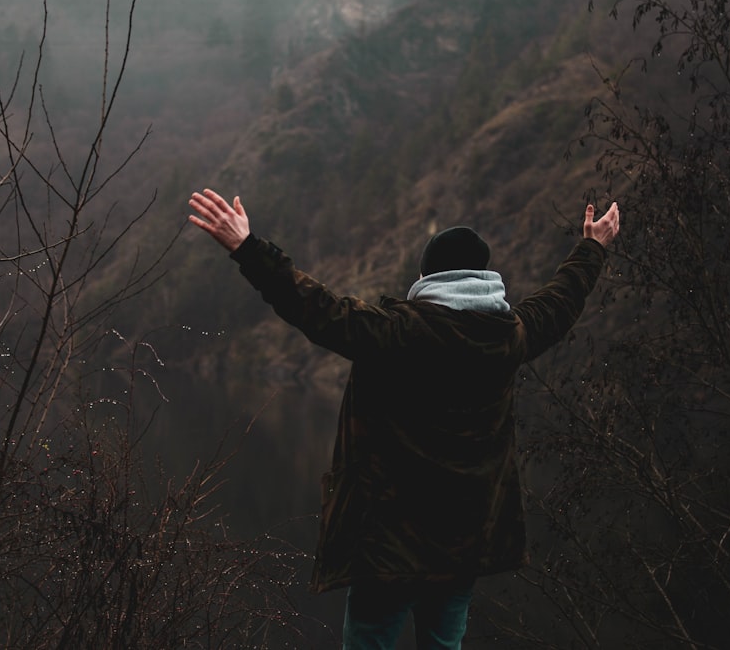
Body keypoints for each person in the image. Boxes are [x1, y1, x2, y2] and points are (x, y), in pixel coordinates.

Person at [188, 189, 620, 649]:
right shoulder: (511, 335)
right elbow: (561, 301)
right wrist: (591, 248)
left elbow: (314, 306)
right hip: (465, 540)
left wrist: (248, 248)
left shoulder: (397, 332)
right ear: (483, 277)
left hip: (388, 544)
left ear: (429, 276)